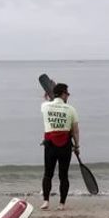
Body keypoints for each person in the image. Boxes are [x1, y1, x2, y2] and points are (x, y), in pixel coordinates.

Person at [40, 82, 79, 210]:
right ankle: (62, 204)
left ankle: (46, 201)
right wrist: (77, 146)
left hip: (50, 145)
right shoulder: (71, 109)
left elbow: (50, 102)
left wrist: (50, 96)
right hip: (65, 146)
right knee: (63, 175)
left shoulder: (45, 106)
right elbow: (75, 131)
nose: (68, 95)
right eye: (67, 93)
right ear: (63, 94)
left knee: (48, 174)